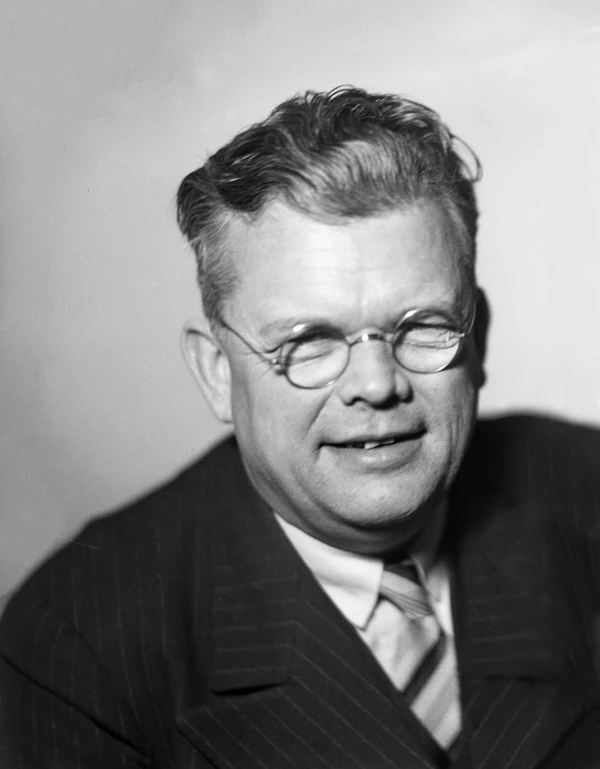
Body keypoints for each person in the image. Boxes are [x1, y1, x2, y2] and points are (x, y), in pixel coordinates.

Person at [1, 86, 599, 769]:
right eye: (309, 342)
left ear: (478, 337)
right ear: (218, 373)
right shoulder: (78, 644)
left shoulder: (586, 485)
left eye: (424, 327)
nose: (377, 383)